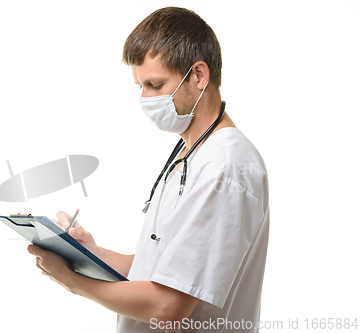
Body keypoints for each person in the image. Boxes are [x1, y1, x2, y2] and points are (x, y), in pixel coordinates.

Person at [27, 6, 269, 333]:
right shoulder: (192, 154)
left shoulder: (224, 167)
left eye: (155, 84)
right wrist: (92, 254)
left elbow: (168, 306)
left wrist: (73, 281)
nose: (145, 98)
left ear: (199, 75)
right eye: (140, 86)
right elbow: (161, 273)